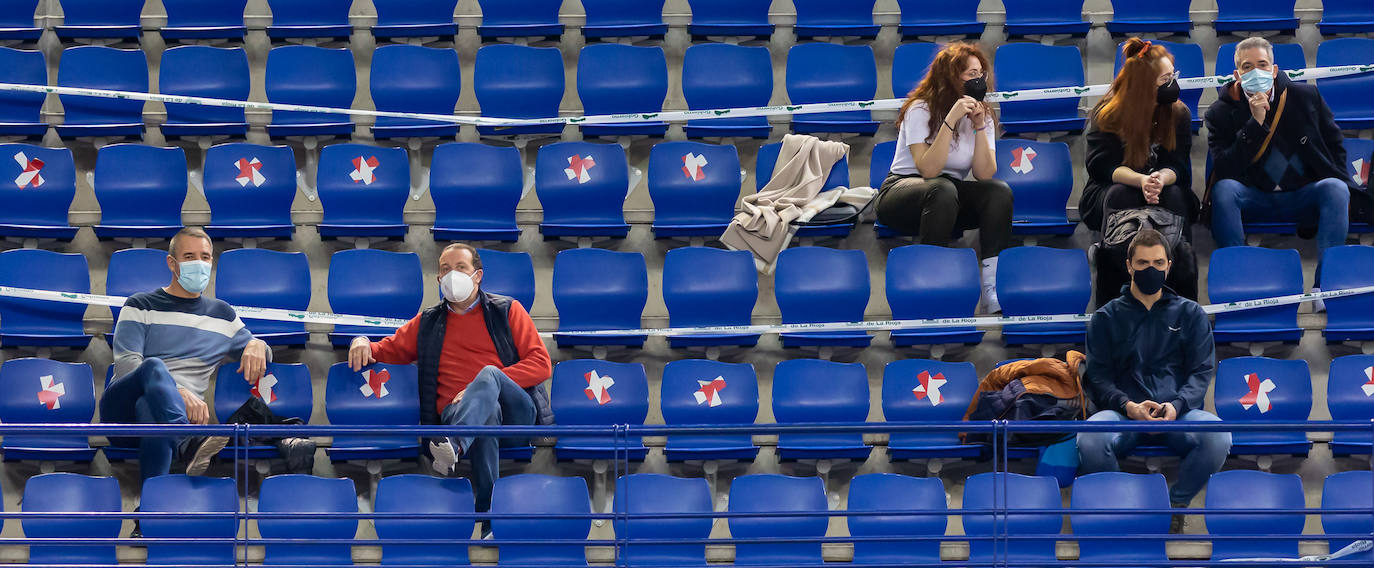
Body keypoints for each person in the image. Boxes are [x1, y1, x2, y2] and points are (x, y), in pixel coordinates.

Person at [348, 243, 552, 518]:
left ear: (477, 275)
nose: (452, 274)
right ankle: (487, 517)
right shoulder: (428, 322)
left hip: (515, 416)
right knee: (484, 414)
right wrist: (360, 340)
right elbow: (387, 348)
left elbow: (541, 364)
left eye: (460, 268)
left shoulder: (508, 310)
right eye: (445, 269)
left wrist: (480, 387)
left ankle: (453, 445)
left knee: (489, 375)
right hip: (460, 415)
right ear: (439, 280)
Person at [1077, 229, 1230, 532]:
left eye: (1159, 263)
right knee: (1091, 438)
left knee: (1218, 436)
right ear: (1129, 266)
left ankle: (1175, 506)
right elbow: (1098, 376)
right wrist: (1127, 405)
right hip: (1124, 414)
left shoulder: (1190, 314)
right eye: (1143, 263)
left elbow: (1201, 372)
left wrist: (1176, 405)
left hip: (1178, 414)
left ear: (1169, 266)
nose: (1152, 269)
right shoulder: (1106, 317)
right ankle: (1124, 509)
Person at [103, 227, 269, 482]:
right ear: (172, 263)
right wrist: (179, 393)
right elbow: (127, 365)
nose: (199, 264)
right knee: (153, 367)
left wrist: (257, 344)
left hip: (159, 416)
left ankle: (148, 513)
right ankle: (187, 441)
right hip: (121, 411)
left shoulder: (222, 315)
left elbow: (260, 351)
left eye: (205, 257)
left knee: (150, 409)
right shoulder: (140, 304)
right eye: (190, 257)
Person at [876, 41, 1013, 312]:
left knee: (998, 192)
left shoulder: (981, 114)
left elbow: (984, 173)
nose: (979, 81)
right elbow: (928, 170)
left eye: (981, 74)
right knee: (941, 188)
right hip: (901, 193)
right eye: (971, 75)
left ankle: (991, 286)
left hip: (947, 195)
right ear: (951, 78)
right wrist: (950, 121)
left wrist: (977, 126)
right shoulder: (920, 109)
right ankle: (931, 282)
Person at [1205, 36, 1353, 251]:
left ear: (1274, 70)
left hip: (1302, 192)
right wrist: (1254, 124)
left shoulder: (1306, 97)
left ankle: (1326, 280)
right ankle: (1236, 268)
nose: (1256, 71)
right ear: (1237, 75)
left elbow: (1335, 144)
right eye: (1247, 67)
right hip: (1253, 194)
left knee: (1336, 188)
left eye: (1262, 64)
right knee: (1224, 190)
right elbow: (1225, 168)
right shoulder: (1219, 112)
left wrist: (1339, 177)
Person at [1081, 38, 1197, 234]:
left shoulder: (1179, 113)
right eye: (1165, 79)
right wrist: (1141, 181)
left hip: (1161, 185)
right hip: (1111, 187)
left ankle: (1179, 260)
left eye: (1173, 75)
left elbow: (1179, 164)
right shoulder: (1108, 114)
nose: (1172, 83)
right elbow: (1101, 167)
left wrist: (1159, 179)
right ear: (1144, 85)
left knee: (1174, 194)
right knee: (1122, 194)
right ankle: (1117, 258)